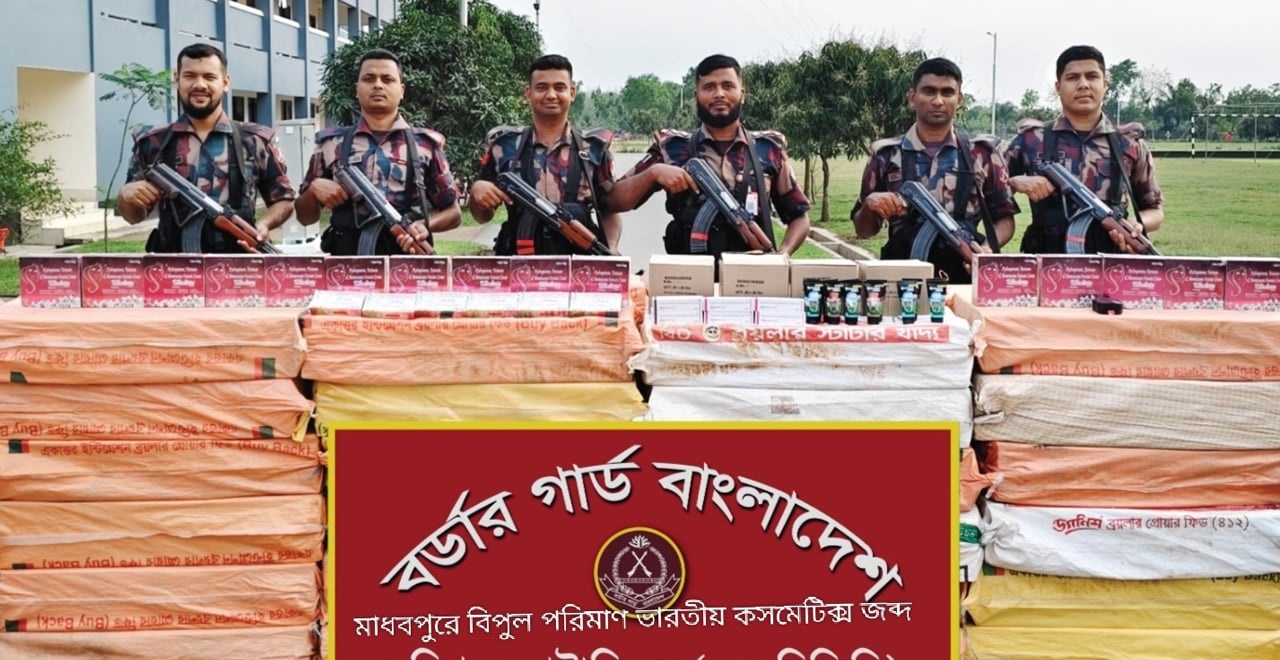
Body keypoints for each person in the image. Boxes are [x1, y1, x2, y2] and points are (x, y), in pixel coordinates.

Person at [609, 54, 811, 257]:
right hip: (689, 273)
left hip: (751, 272)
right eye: (709, 87)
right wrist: (653, 173)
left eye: (728, 86)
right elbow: (613, 200)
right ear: (696, 95)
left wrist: (783, 253)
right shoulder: (672, 147)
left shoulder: (768, 149)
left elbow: (799, 216)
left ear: (742, 93)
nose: (719, 94)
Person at [851, 57, 1017, 284]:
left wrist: (987, 251)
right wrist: (870, 206)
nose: (938, 101)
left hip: (964, 275)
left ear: (959, 99)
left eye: (947, 92)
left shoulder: (982, 154)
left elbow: (1005, 218)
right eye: (929, 91)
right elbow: (864, 230)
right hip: (902, 280)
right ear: (912, 97)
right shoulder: (886, 155)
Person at [117, 43, 296, 253]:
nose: (199, 84)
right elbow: (133, 216)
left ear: (225, 82)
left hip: (239, 263)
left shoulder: (255, 140)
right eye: (190, 76)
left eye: (209, 77)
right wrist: (125, 197)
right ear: (177, 80)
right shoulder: (152, 142)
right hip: (174, 265)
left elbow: (284, 200)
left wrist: (263, 226)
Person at [295, 48, 461, 255]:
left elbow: (454, 212)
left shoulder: (426, 144)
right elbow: (304, 217)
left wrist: (425, 226)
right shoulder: (330, 143)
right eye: (369, 78)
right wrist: (313, 192)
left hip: (406, 258)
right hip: (346, 261)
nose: (378, 85)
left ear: (402, 90)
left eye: (387, 79)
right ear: (357, 89)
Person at [1004, 45, 1164, 254]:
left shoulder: (1129, 144)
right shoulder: (1031, 140)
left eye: (1092, 76)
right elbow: (986, 193)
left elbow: (1154, 210)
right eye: (1072, 78)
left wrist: (1137, 225)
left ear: (1105, 84)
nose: (1083, 85)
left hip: (1111, 260)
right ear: (1058, 86)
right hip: (1047, 260)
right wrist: (1015, 182)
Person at [468, 54, 620, 255]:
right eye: (541, 87)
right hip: (518, 262)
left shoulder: (593, 148)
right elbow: (482, 216)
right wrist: (476, 193)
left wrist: (611, 248)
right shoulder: (503, 146)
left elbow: (609, 208)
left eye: (559, 87)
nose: (551, 95)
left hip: (579, 262)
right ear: (528, 93)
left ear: (572, 93)